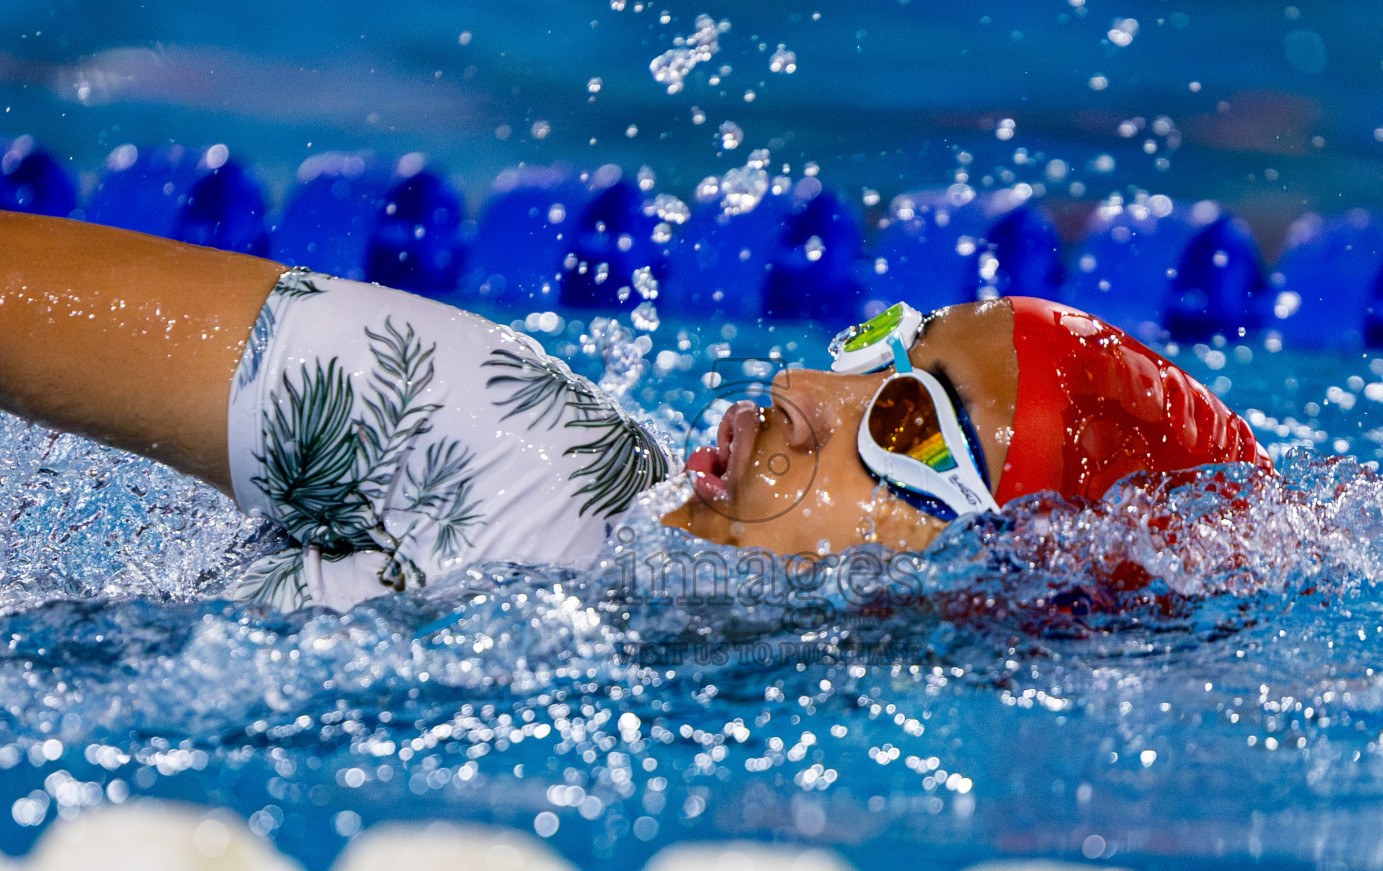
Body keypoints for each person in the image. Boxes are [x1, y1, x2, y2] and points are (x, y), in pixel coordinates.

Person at [0, 210, 1267, 610]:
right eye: (877, 347)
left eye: (909, 422)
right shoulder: (498, 433)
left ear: (997, 580)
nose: (801, 391)